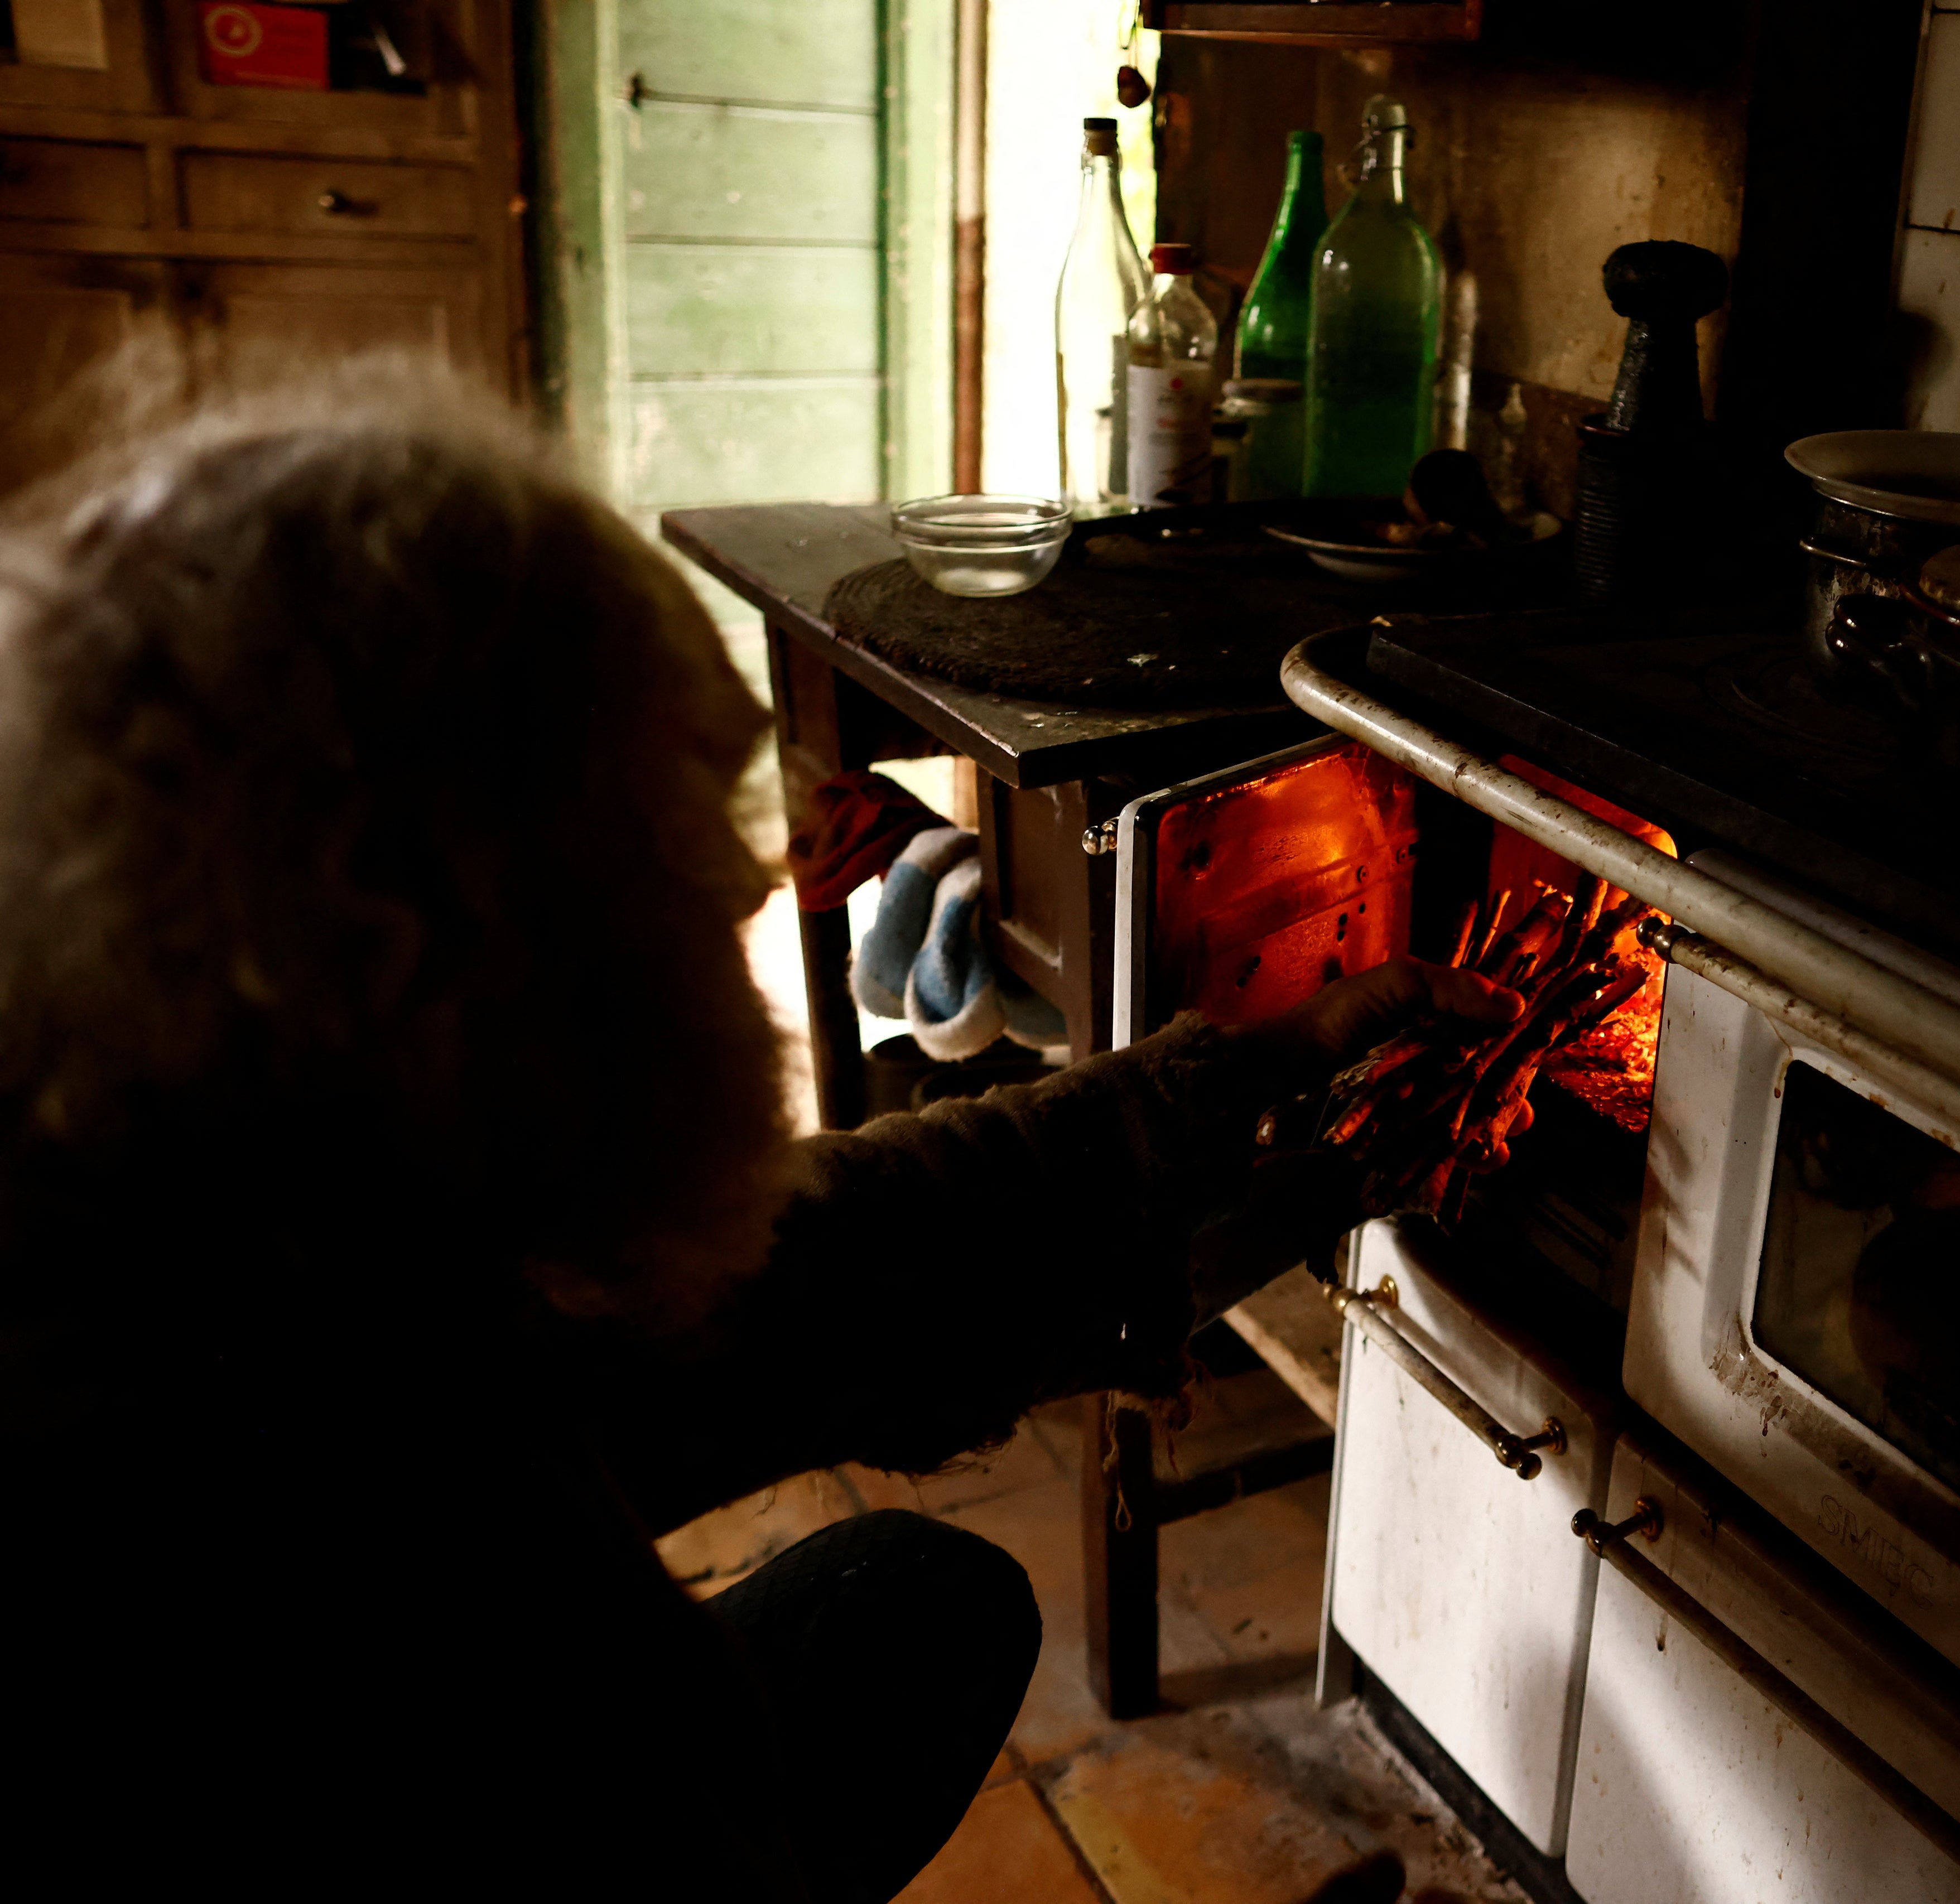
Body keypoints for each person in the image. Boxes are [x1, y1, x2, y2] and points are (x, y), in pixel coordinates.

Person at [0, 370, 1520, 1900]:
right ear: (414, 932)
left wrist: (1198, 1098)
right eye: (664, 822)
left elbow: (753, 1295)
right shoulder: (276, 1579)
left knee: (904, 1605)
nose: (738, 890)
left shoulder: (269, 1202)